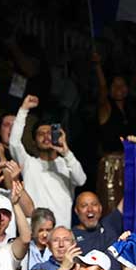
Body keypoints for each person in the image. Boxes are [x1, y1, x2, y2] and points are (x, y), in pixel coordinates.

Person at [8, 95, 86, 228]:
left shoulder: (67, 163)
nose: (46, 136)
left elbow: (81, 180)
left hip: (61, 235)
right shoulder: (29, 163)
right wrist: (23, 110)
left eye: (50, 133)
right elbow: (14, 143)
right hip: (35, 232)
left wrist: (66, 152)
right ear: (34, 141)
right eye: (40, 134)